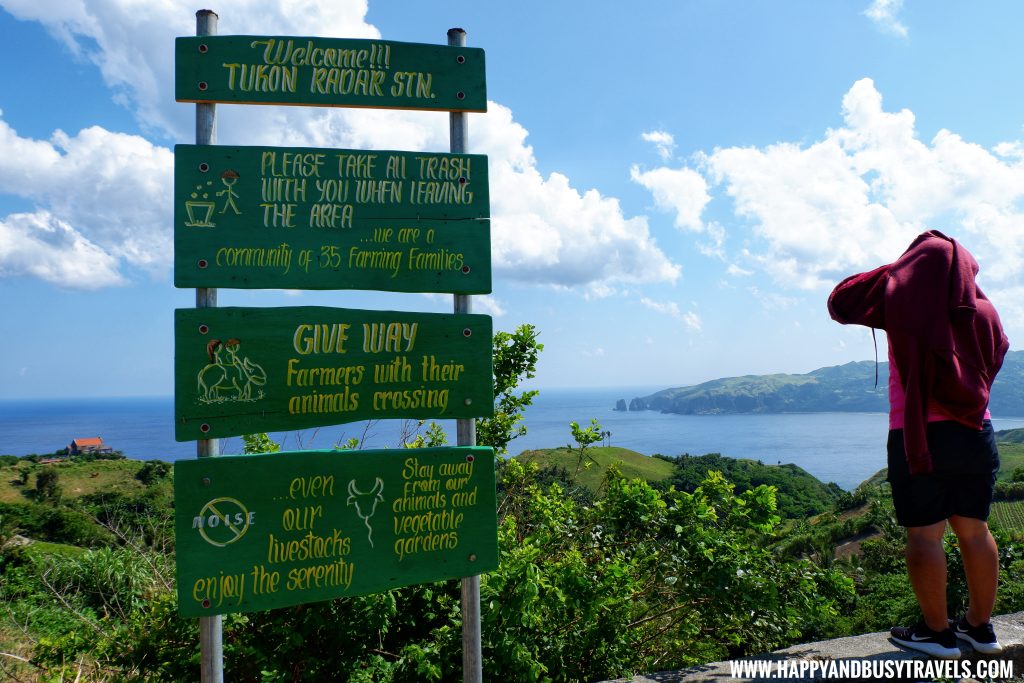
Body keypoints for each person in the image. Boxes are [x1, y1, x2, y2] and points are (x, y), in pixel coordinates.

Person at [828, 230, 1008, 659]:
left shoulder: (906, 299)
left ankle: (937, 634)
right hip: (975, 432)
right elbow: (996, 358)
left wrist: (900, 272)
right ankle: (980, 630)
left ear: (914, 265)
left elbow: (841, 301)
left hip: (920, 435)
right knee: (975, 529)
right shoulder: (986, 310)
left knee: (925, 536)